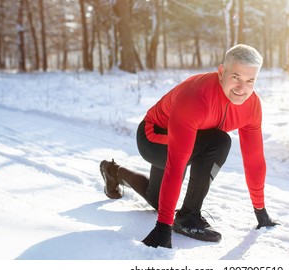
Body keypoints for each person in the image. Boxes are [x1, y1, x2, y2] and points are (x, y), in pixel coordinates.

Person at [100, 44, 279, 249]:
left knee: (158, 200)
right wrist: (163, 227)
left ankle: (114, 172)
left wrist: (260, 211)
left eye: (250, 81)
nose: (242, 88)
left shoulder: (252, 105)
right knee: (219, 142)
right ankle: (188, 217)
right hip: (154, 136)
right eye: (236, 77)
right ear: (221, 72)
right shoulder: (196, 97)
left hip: (192, 137)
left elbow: (254, 160)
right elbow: (177, 164)